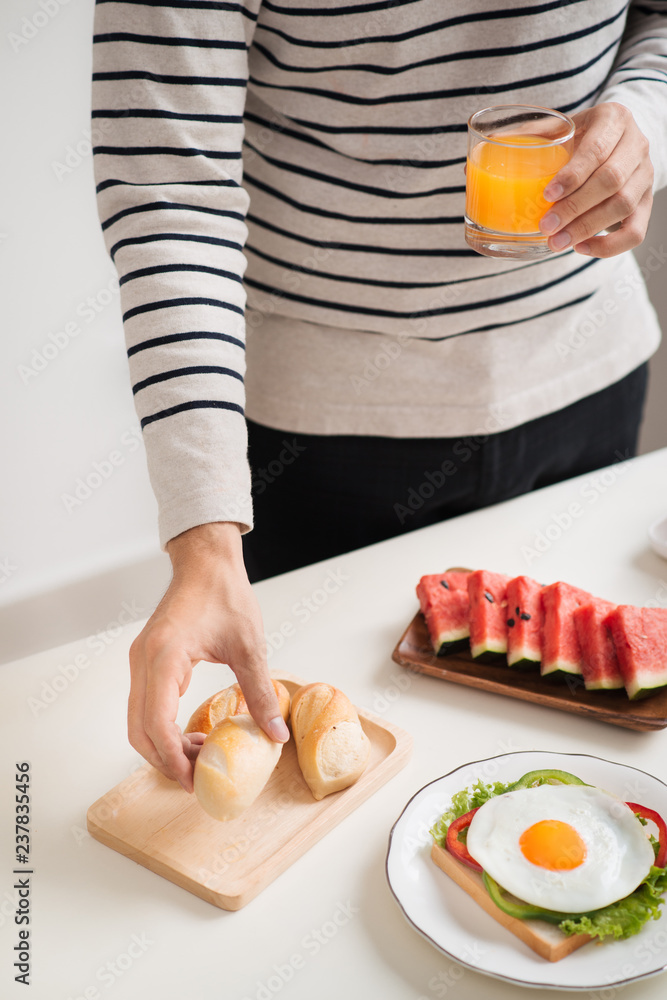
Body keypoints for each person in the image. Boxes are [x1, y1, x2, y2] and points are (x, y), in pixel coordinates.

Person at [91, 0, 667, 791]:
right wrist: (204, 546)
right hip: (318, 438)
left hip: (587, 373)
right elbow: (169, 190)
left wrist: (647, 121)